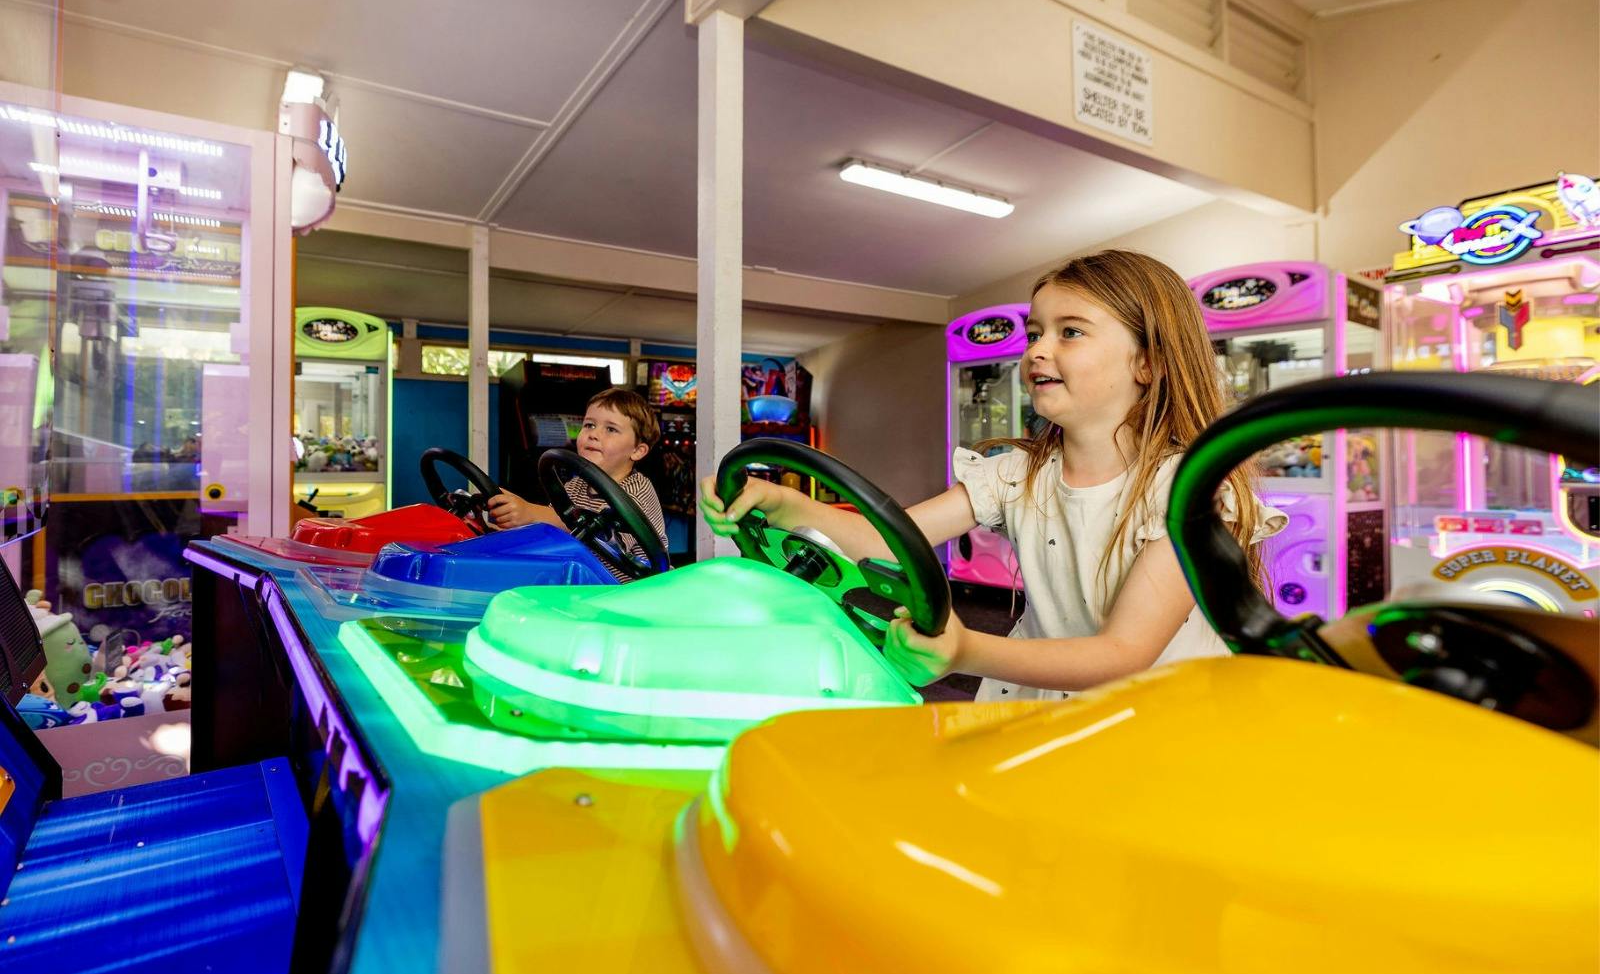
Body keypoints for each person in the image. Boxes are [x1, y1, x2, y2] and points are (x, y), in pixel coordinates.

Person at [700, 249, 1285, 700]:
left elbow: (1124, 652)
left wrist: (961, 649)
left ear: (1149, 361)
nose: (1036, 350)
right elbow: (886, 539)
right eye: (1035, 333)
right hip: (1043, 697)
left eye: (1070, 331)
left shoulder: (1189, 491)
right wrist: (785, 504)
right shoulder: (1017, 475)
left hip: (1152, 716)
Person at [488, 386, 668, 580]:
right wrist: (514, 517)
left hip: (629, 593)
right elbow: (553, 525)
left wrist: (530, 512)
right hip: (584, 582)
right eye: (589, 425)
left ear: (637, 451)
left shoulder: (636, 491)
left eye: (611, 429)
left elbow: (600, 534)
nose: (594, 434)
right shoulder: (577, 484)